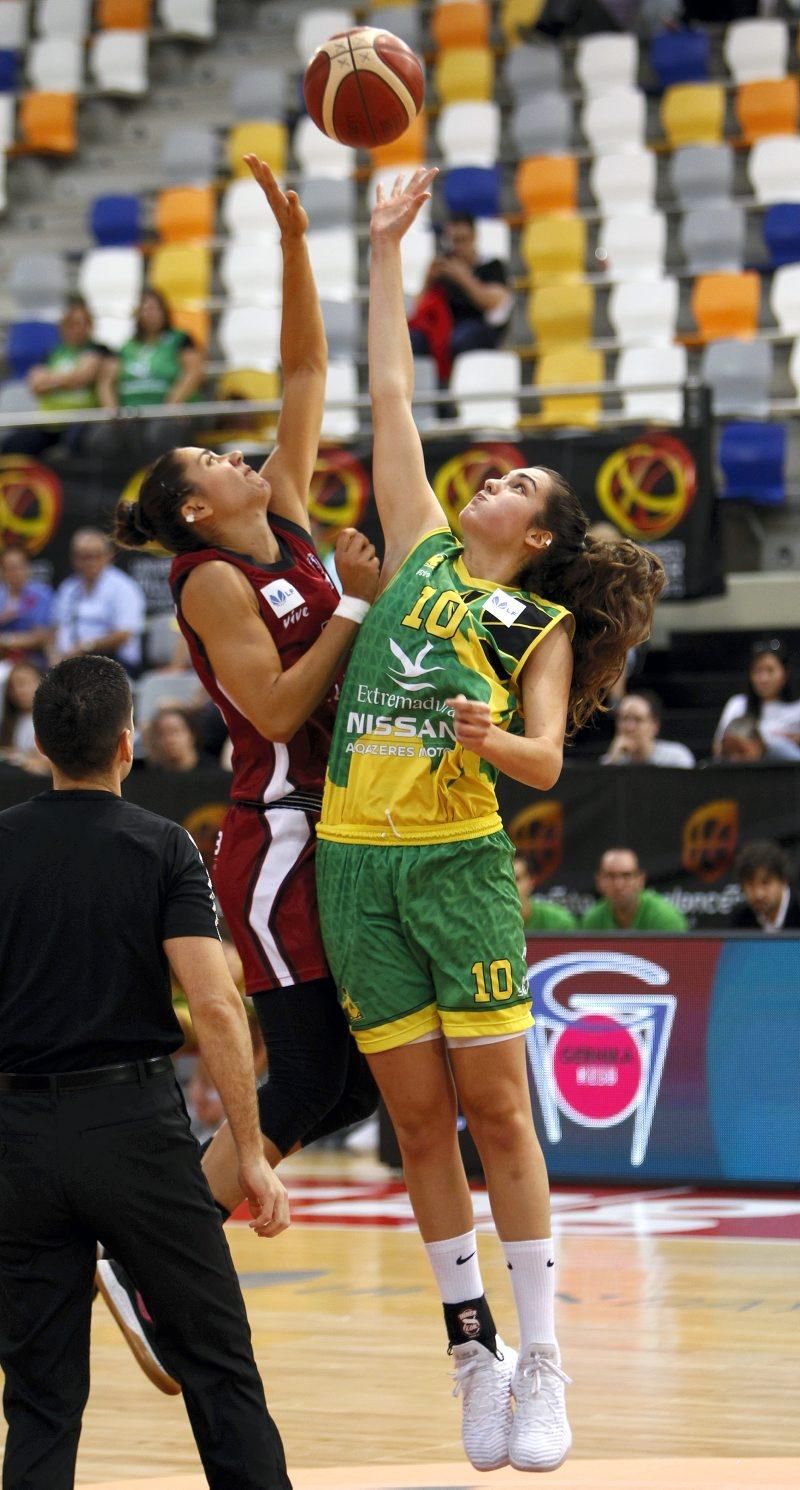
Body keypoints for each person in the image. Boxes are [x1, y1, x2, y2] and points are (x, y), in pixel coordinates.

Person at [315, 169, 666, 1475]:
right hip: (359, 868)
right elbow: (391, 393)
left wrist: (494, 736)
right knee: (413, 1125)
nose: (494, 477)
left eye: (517, 478)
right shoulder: (413, 551)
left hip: (458, 868)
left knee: (499, 1115)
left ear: (539, 528)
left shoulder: (535, 618)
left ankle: (544, 1358)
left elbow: (544, 761)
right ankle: (470, 1353)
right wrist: (386, 251)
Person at [108, 156, 379, 1390]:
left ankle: (152, 1243)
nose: (240, 453)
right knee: (313, 1078)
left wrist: (292, 239)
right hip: (273, 835)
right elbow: (270, 703)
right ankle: (157, 1256)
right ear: (196, 511)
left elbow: (307, 371)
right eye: (216, 460)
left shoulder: (288, 525)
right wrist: (354, 613)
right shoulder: (213, 579)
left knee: (342, 1077)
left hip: (334, 822)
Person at [0, 655, 291, 1490]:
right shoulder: (159, 845)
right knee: (218, 1369)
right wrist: (250, 1150)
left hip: (16, 1138)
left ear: (42, 745)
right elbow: (218, 1004)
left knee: (41, 1401)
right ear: (127, 746)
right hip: (132, 1132)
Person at [96, 287, 206, 465]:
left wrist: (173, 403)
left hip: (168, 412)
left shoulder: (181, 339)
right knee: (102, 437)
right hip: (132, 413)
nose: (150, 314)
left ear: (164, 312)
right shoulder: (125, 346)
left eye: (154, 309)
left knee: (159, 434)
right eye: (145, 309)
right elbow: (106, 382)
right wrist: (112, 411)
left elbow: (194, 372)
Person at [408, 213, 513, 385]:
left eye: (462, 240)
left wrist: (464, 278)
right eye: (453, 240)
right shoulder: (443, 268)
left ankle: (454, 389)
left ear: (473, 238)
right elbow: (418, 308)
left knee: (458, 340)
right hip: (444, 327)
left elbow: (494, 304)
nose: (457, 247)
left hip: (480, 326)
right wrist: (428, 280)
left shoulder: (492, 266)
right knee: (414, 340)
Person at [0, 297, 105, 458]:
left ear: (89, 326)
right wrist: (68, 379)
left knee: (74, 445)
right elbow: (35, 385)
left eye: (81, 323)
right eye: (71, 324)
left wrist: (50, 379)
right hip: (49, 423)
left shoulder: (98, 350)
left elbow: (83, 377)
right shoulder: (52, 353)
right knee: (13, 445)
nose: (76, 329)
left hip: (82, 421)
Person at [51, 528, 146, 676]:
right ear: (74, 559)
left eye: (95, 556)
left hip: (114, 662)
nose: (89, 562)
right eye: (83, 557)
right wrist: (55, 656)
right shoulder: (68, 588)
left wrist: (85, 647)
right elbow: (57, 627)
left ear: (108, 556)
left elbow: (124, 634)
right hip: (70, 660)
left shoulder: (124, 587)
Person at [713, 638, 800, 762]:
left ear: (785, 673)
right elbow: (719, 747)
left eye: (770, 671)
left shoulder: (797, 707)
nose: (763, 679)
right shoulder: (738, 704)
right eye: (757, 671)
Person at [581, 847, 687, 931]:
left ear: (640, 880)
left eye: (627, 875)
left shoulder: (665, 919)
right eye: (610, 876)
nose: (619, 885)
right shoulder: (592, 920)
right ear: (599, 880)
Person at [601, 689, 695, 767]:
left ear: (655, 726)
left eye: (638, 719)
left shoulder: (676, 758)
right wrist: (613, 761)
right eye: (624, 719)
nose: (629, 727)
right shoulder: (611, 760)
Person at [0, 546, 54, 667]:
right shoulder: (1, 596)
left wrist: (6, 640)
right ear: (2, 572)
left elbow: (41, 636)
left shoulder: (42, 594)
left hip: (33, 659)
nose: (14, 573)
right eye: (9, 568)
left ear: (27, 568)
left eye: (18, 567)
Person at [729, 841, 800, 931]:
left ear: (783, 880)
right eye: (750, 885)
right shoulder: (740, 920)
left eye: (766, 883)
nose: (759, 894)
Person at [0, 658, 48, 773]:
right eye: (13, 686)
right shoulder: (11, 721)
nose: (18, 691)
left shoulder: (54, 719)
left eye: (24, 683)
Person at [514, 852, 577, 932]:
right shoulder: (492, 925)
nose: (508, 887)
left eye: (516, 879)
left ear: (531, 882)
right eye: (503, 880)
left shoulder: (561, 923)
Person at [145, 705, 215, 772]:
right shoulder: (151, 775)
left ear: (192, 735)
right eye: (161, 734)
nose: (170, 740)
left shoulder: (213, 772)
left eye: (175, 731)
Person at [716, 713, 800, 765]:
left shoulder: (782, 752)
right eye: (727, 753)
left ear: (757, 743)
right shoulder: (720, 765)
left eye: (741, 751)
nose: (734, 759)